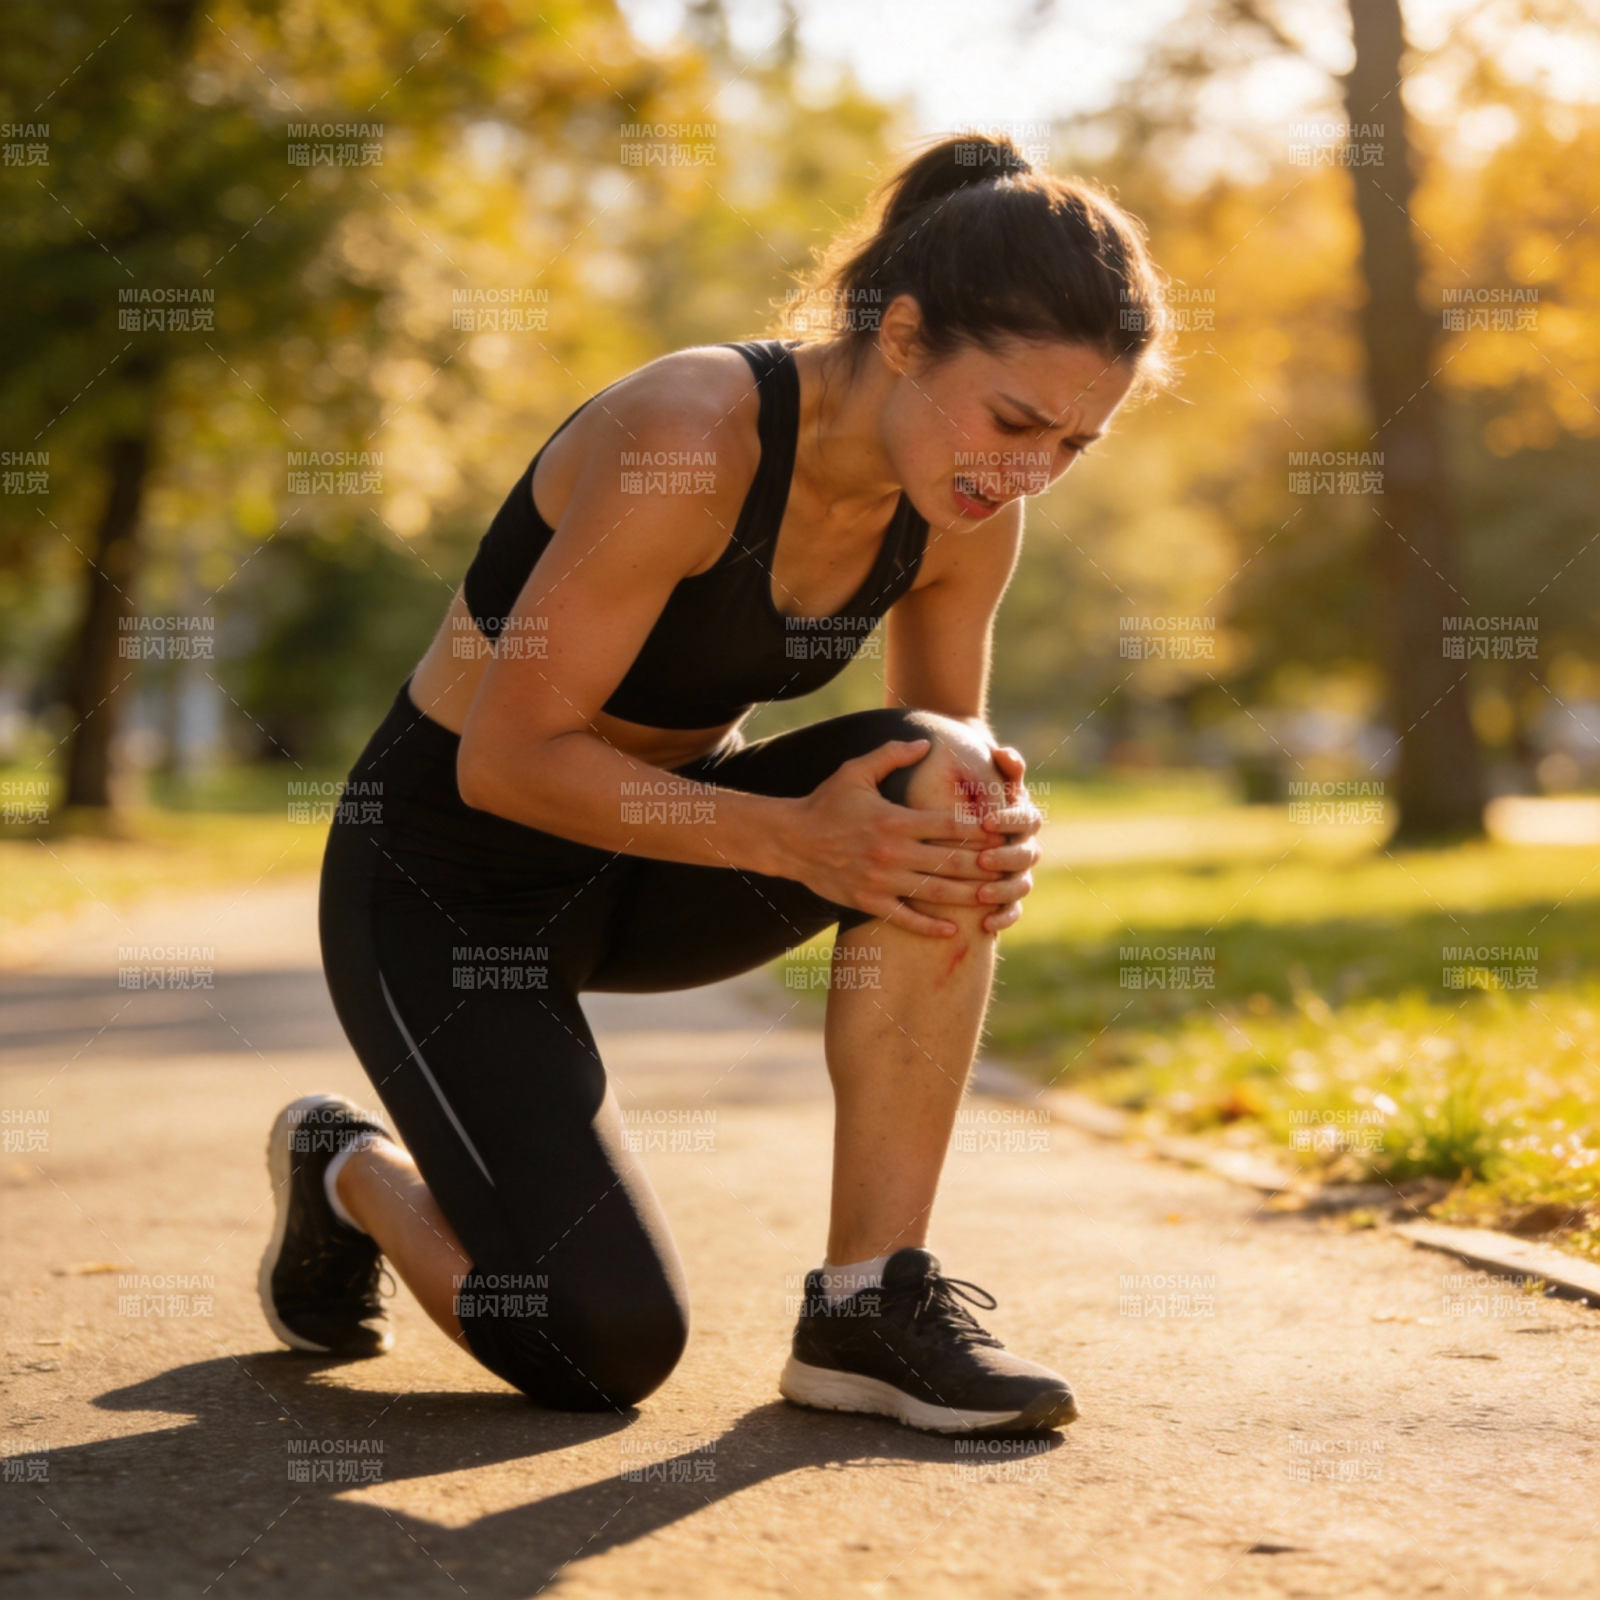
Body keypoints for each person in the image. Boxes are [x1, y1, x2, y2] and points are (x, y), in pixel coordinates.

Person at [258, 132, 1167, 1435]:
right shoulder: (689, 437)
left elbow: (941, 744)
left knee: (957, 791)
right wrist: (797, 840)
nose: (1033, 470)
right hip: (445, 879)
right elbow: (506, 758)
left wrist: (990, 833)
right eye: (1017, 420)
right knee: (601, 1342)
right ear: (904, 335)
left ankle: (869, 1308)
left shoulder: (968, 508)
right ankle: (349, 1169)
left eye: (1078, 443)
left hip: (665, 858)